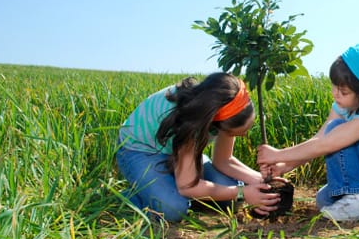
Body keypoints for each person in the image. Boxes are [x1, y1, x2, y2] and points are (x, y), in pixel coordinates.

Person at [257, 43, 359, 222]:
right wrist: (285, 165)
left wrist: (277, 155)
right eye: (334, 87)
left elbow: (328, 143)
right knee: (324, 200)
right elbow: (320, 139)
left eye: (344, 91)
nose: (336, 95)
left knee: (337, 131)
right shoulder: (343, 106)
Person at [116, 72, 280, 222]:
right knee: (173, 210)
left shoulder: (227, 105)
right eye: (237, 133)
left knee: (231, 200)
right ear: (217, 122)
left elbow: (224, 160)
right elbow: (188, 186)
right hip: (140, 151)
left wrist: (262, 180)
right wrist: (243, 192)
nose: (243, 135)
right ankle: (130, 197)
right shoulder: (191, 121)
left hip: (181, 153)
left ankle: (169, 187)